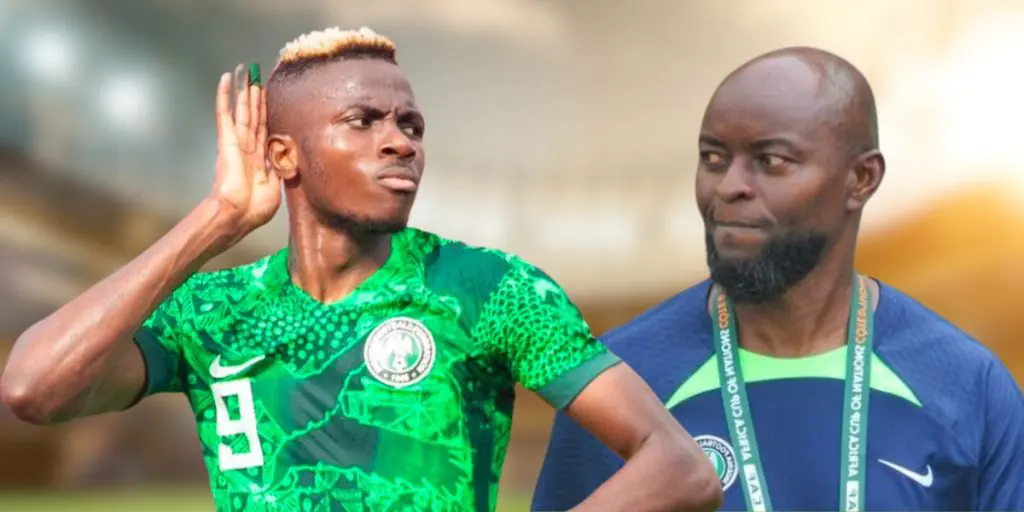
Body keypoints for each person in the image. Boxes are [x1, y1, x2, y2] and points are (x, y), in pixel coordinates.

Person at [0, 27, 721, 512]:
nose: (399, 142)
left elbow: (679, 467)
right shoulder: (210, 310)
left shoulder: (489, 288)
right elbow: (34, 388)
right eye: (363, 121)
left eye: (410, 125)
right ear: (283, 156)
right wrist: (216, 220)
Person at [532, 47, 1024, 511]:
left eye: (770, 161)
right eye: (713, 159)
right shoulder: (618, 383)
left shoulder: (967, 385)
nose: (729, 187)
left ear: (861, 179)